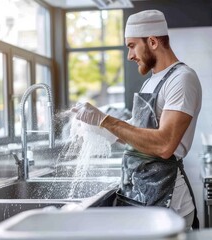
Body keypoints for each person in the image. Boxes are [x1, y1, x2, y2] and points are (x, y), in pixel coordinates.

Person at [72, 9, 202, 229]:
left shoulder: (182, 79)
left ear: (152, 42)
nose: (129, 55)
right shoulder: (150, 81)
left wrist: (106, 121)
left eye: (132, 46)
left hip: (170, 205)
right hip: (142, 197)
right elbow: (140, 136)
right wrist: (103, 130)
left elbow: (164, 145)